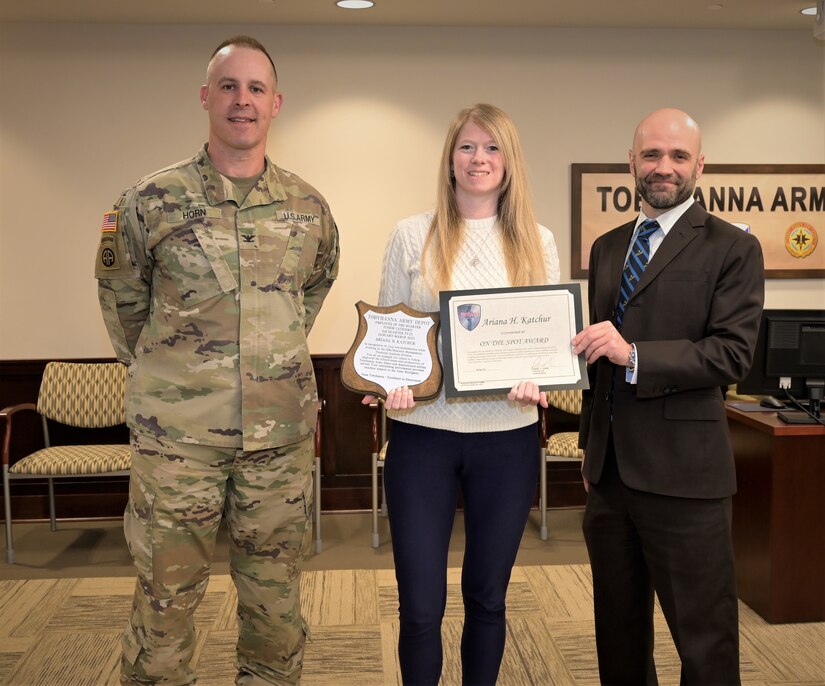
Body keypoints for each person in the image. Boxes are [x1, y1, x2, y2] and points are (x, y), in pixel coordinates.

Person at [95, 35, 339, 686]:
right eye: (229, 86)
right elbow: (122, 300)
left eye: (256, 88)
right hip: (178, 447)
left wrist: (266, 356)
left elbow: (310, 291)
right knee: (165, 604)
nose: (242, 100)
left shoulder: (308, 207)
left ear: (276, 103)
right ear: (206, 97)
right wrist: (168, 376)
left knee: (275, 605)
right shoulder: (148, 202)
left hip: (278, 443)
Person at [364, 103, 560, 685]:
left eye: (493, 148)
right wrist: (390, 381)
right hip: (422, 438)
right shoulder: (410, 233)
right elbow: (390, 334)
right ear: (450, 159)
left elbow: (545, 337)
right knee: (420, 608)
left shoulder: (537, 241)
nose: (480, 159)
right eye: (468, 147)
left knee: (487, 597)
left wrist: (539, 376)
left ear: (510, 162)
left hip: (509, 439)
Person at [572, 108, 764, 684]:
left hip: (687, 479)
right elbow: (595, 361)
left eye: (678, 156)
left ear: (700, 166)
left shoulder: (732, 248)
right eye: (651, 154)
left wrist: (636, 355)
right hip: (609, 478)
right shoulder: (608, 248)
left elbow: (732, 354)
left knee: (703, 640)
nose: (664, 167)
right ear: (631, 161)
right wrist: (589, 446)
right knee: (619, 633)